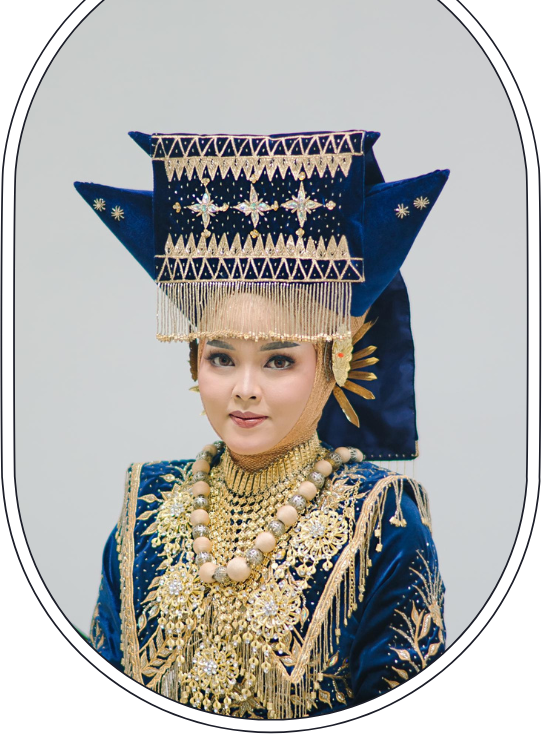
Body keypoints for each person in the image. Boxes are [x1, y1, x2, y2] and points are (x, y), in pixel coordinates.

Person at [75, 129, 450, 718]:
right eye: (222, 358)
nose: (244, 388)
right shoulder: (147, 501)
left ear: (335, 363)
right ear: (194, 360)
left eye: (279, 361)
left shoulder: (380, 516)